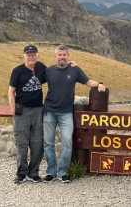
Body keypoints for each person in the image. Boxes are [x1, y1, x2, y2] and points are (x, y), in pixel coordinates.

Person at [43, 44, 105, 183]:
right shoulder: (48, 70)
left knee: (67, 141)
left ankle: (63, 172)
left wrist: (99, 84)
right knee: (48, 142)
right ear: (55, 56)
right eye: (59, 55)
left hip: (66, 113)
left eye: (64, 55)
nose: (62, 57)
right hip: (49, 112)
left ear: (68, 56)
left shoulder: (74, 69)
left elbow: (88, 82)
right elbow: (35, 78)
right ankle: (50, 172)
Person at [8, 45, 46, 184]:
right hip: (22, 110)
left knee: (37, 144)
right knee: (22, 143)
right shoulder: (17, 71)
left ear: (38, 55)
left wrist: (71, 65)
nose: (31, 57)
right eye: (28, 54)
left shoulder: (41, 67)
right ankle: (21, 173)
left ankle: (34, 172)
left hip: (38, 110)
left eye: (33, 54)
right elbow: (11, 91)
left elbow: (55, 73)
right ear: (24, 56)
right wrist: (14, 109)